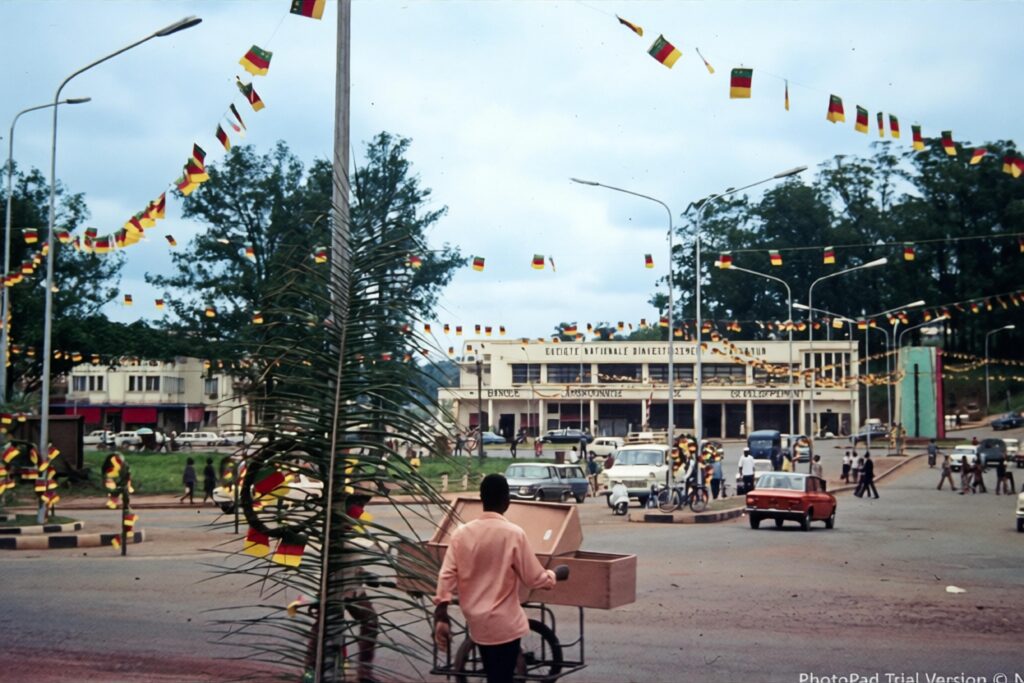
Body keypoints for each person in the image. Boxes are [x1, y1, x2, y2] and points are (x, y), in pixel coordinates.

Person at [434, 474, 558, 683]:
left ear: (481, 499)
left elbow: (446, 575)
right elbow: (534, 578)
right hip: (505, 625)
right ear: (507, 501)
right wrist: (552, 576)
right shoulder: (513, 534)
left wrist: (441, 614)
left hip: (478, 624)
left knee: (494, 674)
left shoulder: (461, 534)